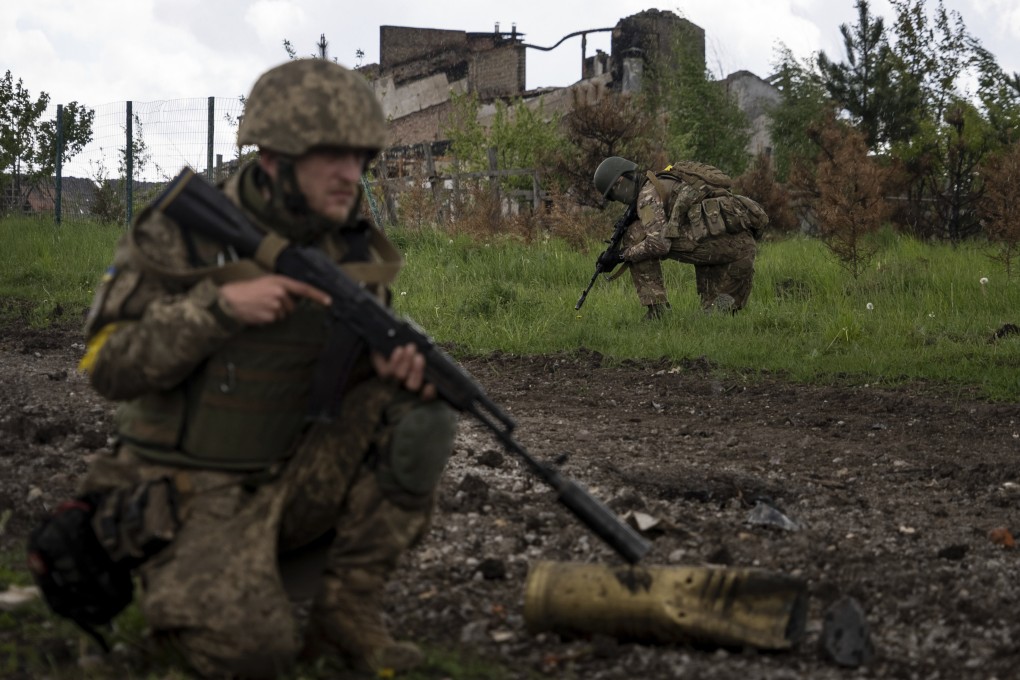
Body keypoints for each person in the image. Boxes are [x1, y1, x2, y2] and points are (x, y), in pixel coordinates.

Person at [76, 58, 458, 678]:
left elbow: (337, 383)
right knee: (255, 658)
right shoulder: (180, 233)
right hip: (185, 489)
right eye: (330, 155)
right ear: (276, 158)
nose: (350, 174)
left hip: (288, 473)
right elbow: (105, 366)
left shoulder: (350, 243)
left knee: (421, 409)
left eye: (359, 156)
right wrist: (219, 307)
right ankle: (173, 614)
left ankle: (346, 611)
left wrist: (388, 363)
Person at [593, 156, 768, 320]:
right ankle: (707, 308)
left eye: (614, 193)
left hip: (728, 252)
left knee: (635, 235)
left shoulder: (647, 196)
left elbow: (659, 244)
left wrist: (621, 255)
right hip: (735, 248)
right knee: (715, 316)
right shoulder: (662, 179)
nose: (618, 198)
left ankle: (657, 311)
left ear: (621, 181)